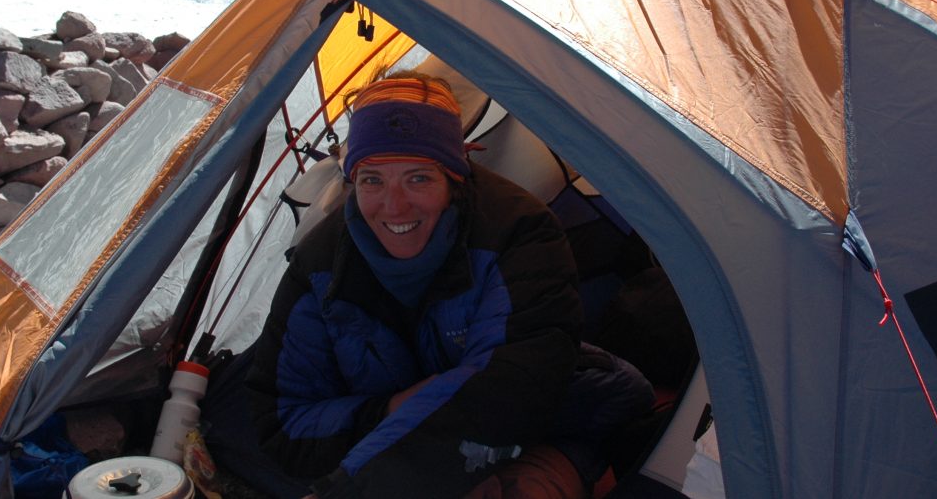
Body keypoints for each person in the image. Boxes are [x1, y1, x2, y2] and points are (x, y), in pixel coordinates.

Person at [246, 71, 653, 498]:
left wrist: (354, 486)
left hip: (548, 407)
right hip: (410, 439)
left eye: (419, 177)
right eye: (372, 179)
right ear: (352, 180)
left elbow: (513, 386)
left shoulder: (517, 232)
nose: (394, 205)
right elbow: (282, 424)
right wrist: (390, 409)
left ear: (455, 175)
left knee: (613, 401)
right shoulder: (321, 264)